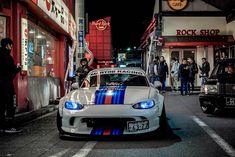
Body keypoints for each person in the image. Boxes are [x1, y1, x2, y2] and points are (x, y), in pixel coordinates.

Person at [0, 38, 22, 133]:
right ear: (7, 45)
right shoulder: (7, 57)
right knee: (10, 105)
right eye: (11, 45)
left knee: (1, 106)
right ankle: (9, 127)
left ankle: (1, 126)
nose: (11, 47)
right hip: (6, 85)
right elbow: (10, 71)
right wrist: (17, 69)